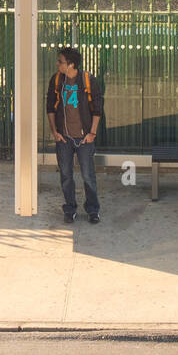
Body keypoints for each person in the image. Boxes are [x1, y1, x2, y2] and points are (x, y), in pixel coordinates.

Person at [45, 47, 103, 224]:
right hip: (64, 138)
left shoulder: (87, 80)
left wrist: (92, 133)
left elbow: (98, 109)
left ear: (70, 64)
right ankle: (70, 208)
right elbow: (50, 108)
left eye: (60, 61)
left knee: (88, 175)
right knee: (66, 175)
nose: (57, 64)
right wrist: (55, 132)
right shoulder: (56, 80)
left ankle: (93, 209)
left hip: (85, 138)